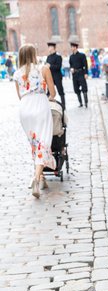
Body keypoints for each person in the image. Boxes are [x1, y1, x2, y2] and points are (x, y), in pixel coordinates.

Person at [13, 44, 57, 199]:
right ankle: (36, 178)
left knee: (35, 143)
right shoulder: (43, 69)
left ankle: (42, 179)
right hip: (40, 106)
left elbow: (20, 95)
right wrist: (48, 98)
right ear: (34, 54)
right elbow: (53, 92)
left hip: (25, 109)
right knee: (43, 143)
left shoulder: (17, 73)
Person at [69, 41, 89, 108]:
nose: (71, 48)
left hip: (81, 73)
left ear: (75, 47)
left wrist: (86, 73)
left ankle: (86, 102)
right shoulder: (71, 57)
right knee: (76, 89)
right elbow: (71, 65)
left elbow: (85, 65)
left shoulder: (82, 55)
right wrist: (71, 68)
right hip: (74, 74)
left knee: (84, 88)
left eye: (72, 47)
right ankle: (80, 103)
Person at [46, 42, 66, 109]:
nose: (48, 48)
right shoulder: (48, 57)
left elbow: (58, 67)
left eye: (49, 47)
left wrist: (50, 66)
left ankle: (63, 106)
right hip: (50, 77)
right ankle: (48, 105)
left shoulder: (58, 57)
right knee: (48, 91)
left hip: (57, 77)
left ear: (53, 48)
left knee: (60, 91)